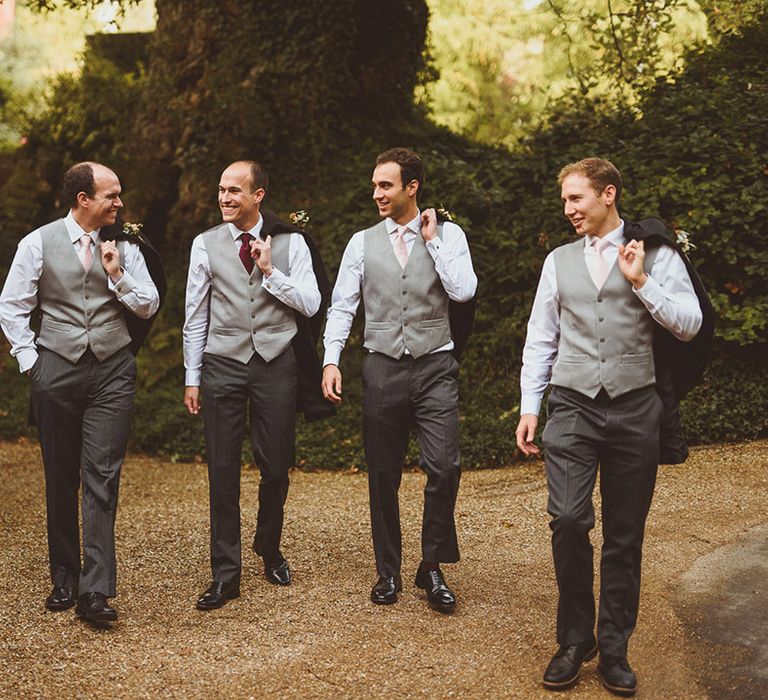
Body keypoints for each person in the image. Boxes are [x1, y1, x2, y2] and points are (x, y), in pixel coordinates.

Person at [515, 158, 703, 696]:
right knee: (569, 519)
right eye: (566, 201)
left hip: (635, 406)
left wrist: (641, 281)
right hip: (572, 406)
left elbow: (689, 326)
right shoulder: (557, 262)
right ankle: (575, 639)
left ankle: (614, 646)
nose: (569, 210)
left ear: (608, 194)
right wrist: (531, 406)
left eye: (577, 199)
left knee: (624, 536)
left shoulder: (655, 255)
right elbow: (541, 338)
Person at [0, 162, 160, 625]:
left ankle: (96, 590)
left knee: (102, 476)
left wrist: (118, 276)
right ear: (83, 199)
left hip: (112, 370)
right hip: (56, 369)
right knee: (60, 474)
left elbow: (149, 303)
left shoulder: (125, 245)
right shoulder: (38, 243)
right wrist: (33, 365)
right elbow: (12, 307)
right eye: (112, 195)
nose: (120, 203)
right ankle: (65, 577)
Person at [321, 147, 477, 613]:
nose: (377, 194)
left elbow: (464, 291)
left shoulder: (449, 236)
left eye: (386, 185)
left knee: (445, 466)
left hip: (435, 367)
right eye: (374, 185)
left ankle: (431, 566)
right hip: (382, 367)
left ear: (413, 187)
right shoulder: (360, 242)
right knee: (382, 475)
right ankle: (387, 570)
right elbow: (343, 305)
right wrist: (331, 359)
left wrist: (431, 241)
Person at [184, 160, 323, 610]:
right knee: (222, 469)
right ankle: (225, 574)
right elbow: (195, 316)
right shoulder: (204, 245)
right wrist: (193, 377)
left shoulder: (291, 242)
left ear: (258, 195)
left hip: (275, 363)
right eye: (221, 190)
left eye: (234, 191)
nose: (224, 198)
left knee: (277, 464)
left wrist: (270, 272)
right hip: (222, 363)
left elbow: (311, 302)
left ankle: (269, 544)